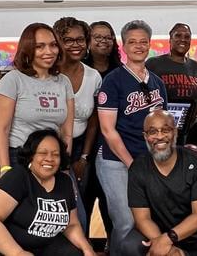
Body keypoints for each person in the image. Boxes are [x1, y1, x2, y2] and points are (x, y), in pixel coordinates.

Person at [97, 20, 168, 256]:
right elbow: (108, 130)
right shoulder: (113, 81)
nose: (138, 46)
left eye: (143, 42)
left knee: (147, 219)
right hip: (115, 162)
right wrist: (132, 164)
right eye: (132, 42)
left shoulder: (157, 82)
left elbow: (164, 126)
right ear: (124, 46)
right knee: (126, 222)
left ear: (149, 44)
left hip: (148, 162)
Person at [0, 129, 96, 256]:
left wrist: (87, 248)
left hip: (39, 246)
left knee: (75, 252)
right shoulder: (18, 177)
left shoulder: (65, 182)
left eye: (56, 154)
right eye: (42, 153)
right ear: (31, 156)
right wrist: (18, 253)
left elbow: (71, 225)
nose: (49, 158)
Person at [120, 110, 197, 256]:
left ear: (175, 132)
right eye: (153, 132)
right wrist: (166, 248)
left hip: (194, 241)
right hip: (156, 235)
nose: (159, 136)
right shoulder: (138, 168)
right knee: (129, 245)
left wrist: (167, 239)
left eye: (165, 130)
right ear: (145, 137)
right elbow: (142, 219)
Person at [0, 23, 74, 172]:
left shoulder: (64, 82)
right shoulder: (13, 80)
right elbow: (1, 129)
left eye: (53, 45)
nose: (49, 51)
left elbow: (67, 133)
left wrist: (65, 165)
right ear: (28, 49)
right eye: (40, 46)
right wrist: (5, 167)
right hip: (18, 157)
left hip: (52, 158)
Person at [53, 17, 103, 235]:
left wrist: (84, 157)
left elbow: (93, 119)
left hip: (80, 147)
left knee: (78, 205)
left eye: (80, 39)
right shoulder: (49, 74)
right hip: (48, 150)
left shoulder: (93, 76)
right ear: (58, 42)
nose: (76, 45)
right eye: (68, 40)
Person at [81, 20, 121, 250]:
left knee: (111, 202)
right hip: (84, 146)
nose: (103, 41)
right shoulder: (81, 71)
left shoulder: (119, 71)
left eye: (108, 37)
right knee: (84, 201)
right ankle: (83, 246)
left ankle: (113, 245)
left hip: (111, 147)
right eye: (97, 36)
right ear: (89, 40)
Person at [146, 23, 197, 144]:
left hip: (183, 132)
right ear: (170, 39)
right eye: (178, 35)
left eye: (187, 36)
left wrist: (189, 123)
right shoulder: (153, 64)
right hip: (158, 133)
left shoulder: (196, 67)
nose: (183, 39)